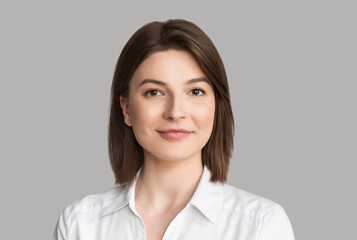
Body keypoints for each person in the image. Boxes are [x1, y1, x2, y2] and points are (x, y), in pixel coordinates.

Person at [53, 19, 295, 240]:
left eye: (195, 91)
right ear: (126, 109)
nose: (176, 112)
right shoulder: (80, 224)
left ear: (217, 106)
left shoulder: (261, 225)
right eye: (154, 92)